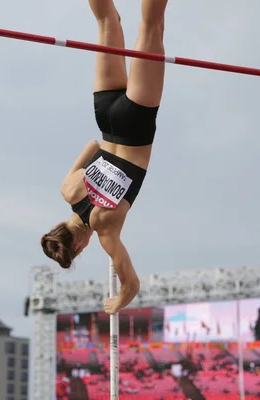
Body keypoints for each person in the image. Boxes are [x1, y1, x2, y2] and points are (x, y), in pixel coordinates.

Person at [41, 0, 168, 315]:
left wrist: (119, 300)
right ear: (60, 224)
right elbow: (91, 146)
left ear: (79, 246)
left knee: (152, 25)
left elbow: (132, 284)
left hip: (136, 125)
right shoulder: (68, 191)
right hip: (107, 117)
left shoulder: (104, 226)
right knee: (107, 19)